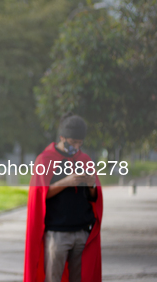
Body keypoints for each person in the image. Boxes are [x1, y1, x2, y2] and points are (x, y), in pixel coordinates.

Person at [24, 113, 103, 282]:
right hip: (57, 234)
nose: (76, 146)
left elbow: (94, 197)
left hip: (82, 232)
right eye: (73, 142)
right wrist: (67, 181)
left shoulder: (84, 159)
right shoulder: (45, 160)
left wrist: (91, 185)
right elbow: (39, 196)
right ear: (62, 137)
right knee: (53, 278)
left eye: (79, 143)